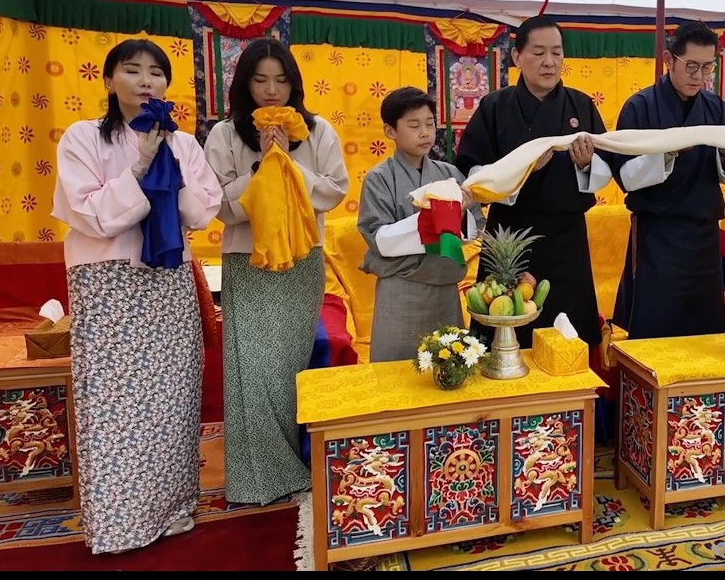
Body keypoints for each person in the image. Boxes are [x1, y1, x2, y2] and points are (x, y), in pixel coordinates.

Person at [52, 39, 223, 554]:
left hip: (167, 280)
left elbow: (200, 212)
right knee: (114, 402)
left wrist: (165, 155)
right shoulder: (83, 138)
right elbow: (91, 215)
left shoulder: (185, 143)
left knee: (172, 396)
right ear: (109, 81)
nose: (146, 81)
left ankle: (173, 506)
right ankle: (118, 523)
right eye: (132, 71)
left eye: (156, 73)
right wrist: (139, 167)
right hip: (109, 283)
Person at [204, 38, 349, 505]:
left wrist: (289, 163)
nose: (271, 90)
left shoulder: (318, 130)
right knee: (252, 369)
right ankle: (256, 479)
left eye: (281, 80)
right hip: (248, 261)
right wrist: (264, 166)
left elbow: (332, 193)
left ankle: (292, 465)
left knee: (287, 367)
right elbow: (222, 208)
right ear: (245, 84)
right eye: (261, 80)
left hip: (302, 260)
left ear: (294, 84)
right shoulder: (225, 135)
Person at [455, 16, 612, 349]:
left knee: (568, 337)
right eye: (539, 52)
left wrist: (586, 164)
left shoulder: (580, 104)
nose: (549, 61)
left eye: (556, 53)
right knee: (505, 332)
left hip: (566, 239)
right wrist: (521, 172)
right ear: (516, 57)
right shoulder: (494, 107)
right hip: (509, 236)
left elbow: (607, 167)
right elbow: (472, 170)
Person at [607, 21, 725, 339]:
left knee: (704, 330)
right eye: (692, 66)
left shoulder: (714, 107)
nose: (700, 76)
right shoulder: (640, 107)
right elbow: (626, 177)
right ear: (669, 60)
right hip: (657, 234)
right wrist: (667, 153)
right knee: (654, 324)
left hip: (703, 236)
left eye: (707, 67)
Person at [358, 87, 484, 362]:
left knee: (448, 367)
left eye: (429, 124)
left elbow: (472, 229)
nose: (425, 133)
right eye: (414, 125)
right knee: (396, 374)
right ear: (390, 131)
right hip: (400, 288)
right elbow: (379, 239)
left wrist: (459, 212)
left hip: (443, 286)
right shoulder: (378, 178)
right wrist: (437, 215)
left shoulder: (449, 174)